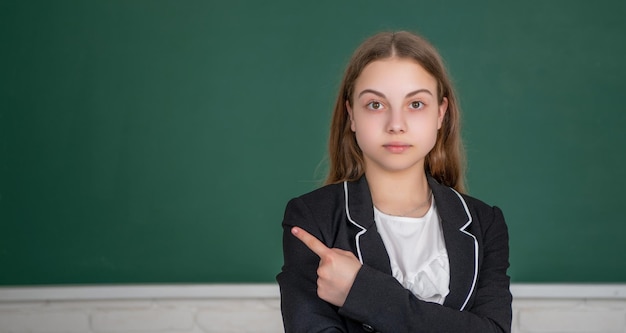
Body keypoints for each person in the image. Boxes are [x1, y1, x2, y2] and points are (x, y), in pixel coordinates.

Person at [276, 31, 512, 333]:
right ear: (351, 115)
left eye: (415, 104)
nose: (396, 125)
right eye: (376, 105)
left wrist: (364, 292)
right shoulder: (312, 218)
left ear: (441, 113)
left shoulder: (484, 223)